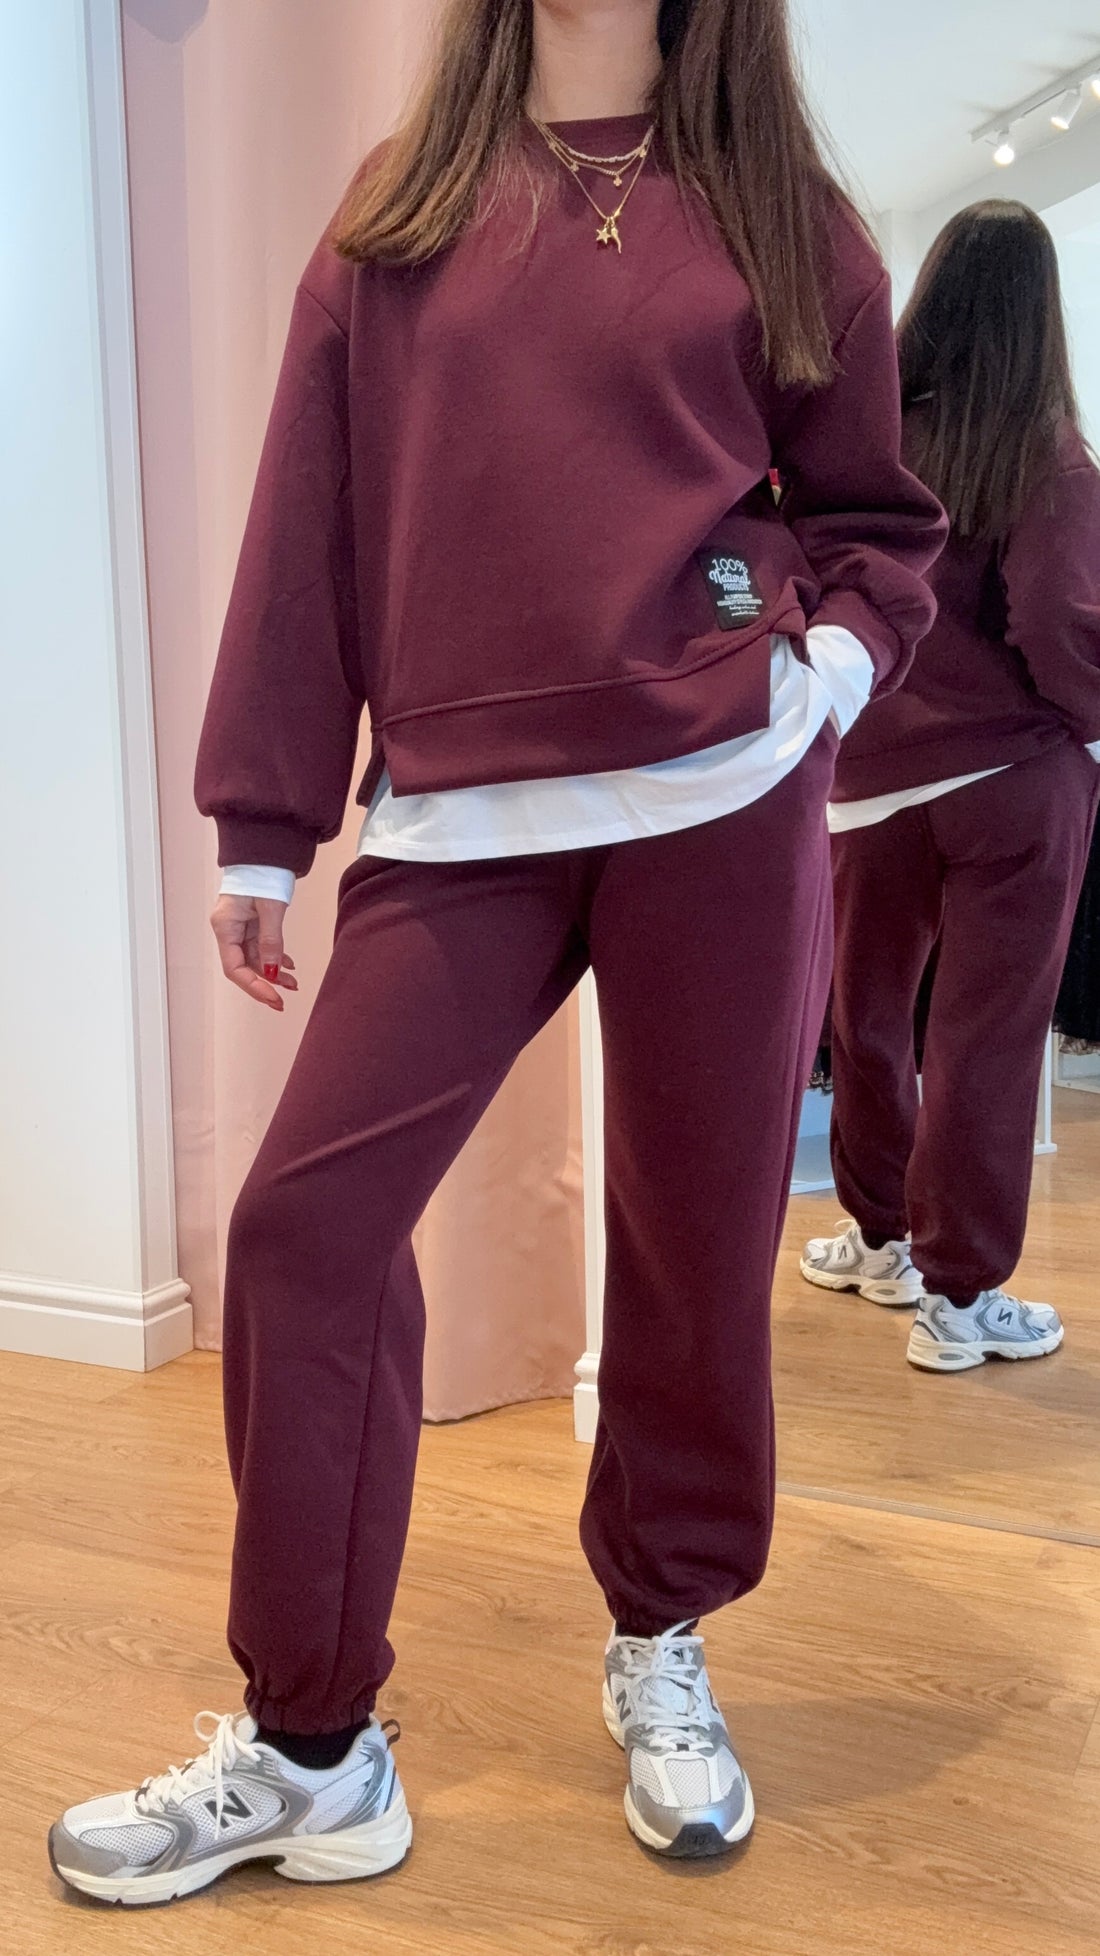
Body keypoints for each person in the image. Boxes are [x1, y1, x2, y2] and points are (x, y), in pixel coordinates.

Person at [49, 0, 943, 1903]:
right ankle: (313, 1746)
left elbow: (880, 519)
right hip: (464, 815)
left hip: (721, 796)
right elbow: (309, 520)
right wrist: (265, 823)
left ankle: (662, 1632)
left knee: (694, 1242)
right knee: (306, 1230)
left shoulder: (783, 212)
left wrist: (825, 674)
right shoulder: (406, 204)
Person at [802, 201, 1100, 1374]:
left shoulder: (872, 440)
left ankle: (880, 1240)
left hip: (867, 780)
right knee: (984, 1037)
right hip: (1011, 782)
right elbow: (1060, 619)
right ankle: (959, 1299)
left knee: (866, 1015)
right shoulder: (1044, 452)